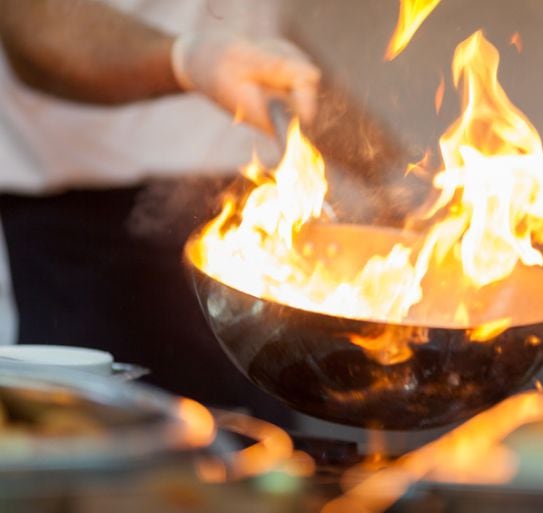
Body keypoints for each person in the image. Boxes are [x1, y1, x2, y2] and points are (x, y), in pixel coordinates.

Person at [0, 0, 320, 426]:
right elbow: (38, 27)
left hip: (242, 225)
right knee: (98, 459)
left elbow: (259, 41)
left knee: (253, 462)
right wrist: (188, 60)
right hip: (86, 233)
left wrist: (388, 172)